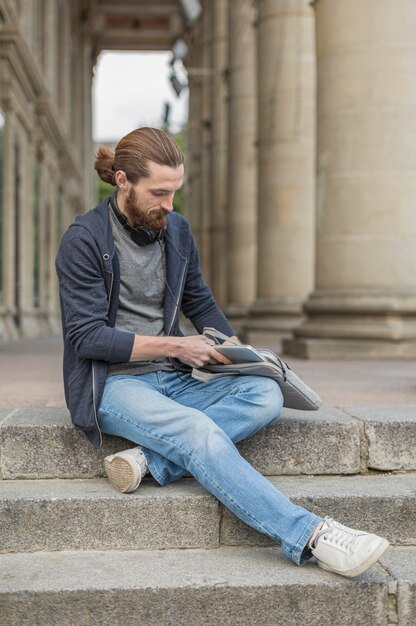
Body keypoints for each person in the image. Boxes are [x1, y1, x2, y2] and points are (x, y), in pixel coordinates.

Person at [55, 127, 389, 578]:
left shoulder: (175, 228)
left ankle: (149, 461)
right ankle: (311, 535)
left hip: (171, 378)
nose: (169, 205)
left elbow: (198, 299)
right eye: (159, 193)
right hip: (114, 384)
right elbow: (87, 336)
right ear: (121, 181)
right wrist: (178, 344)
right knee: (198, 431)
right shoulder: (83, 240)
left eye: (175, 192)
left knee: (265, 395)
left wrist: (234, 348)